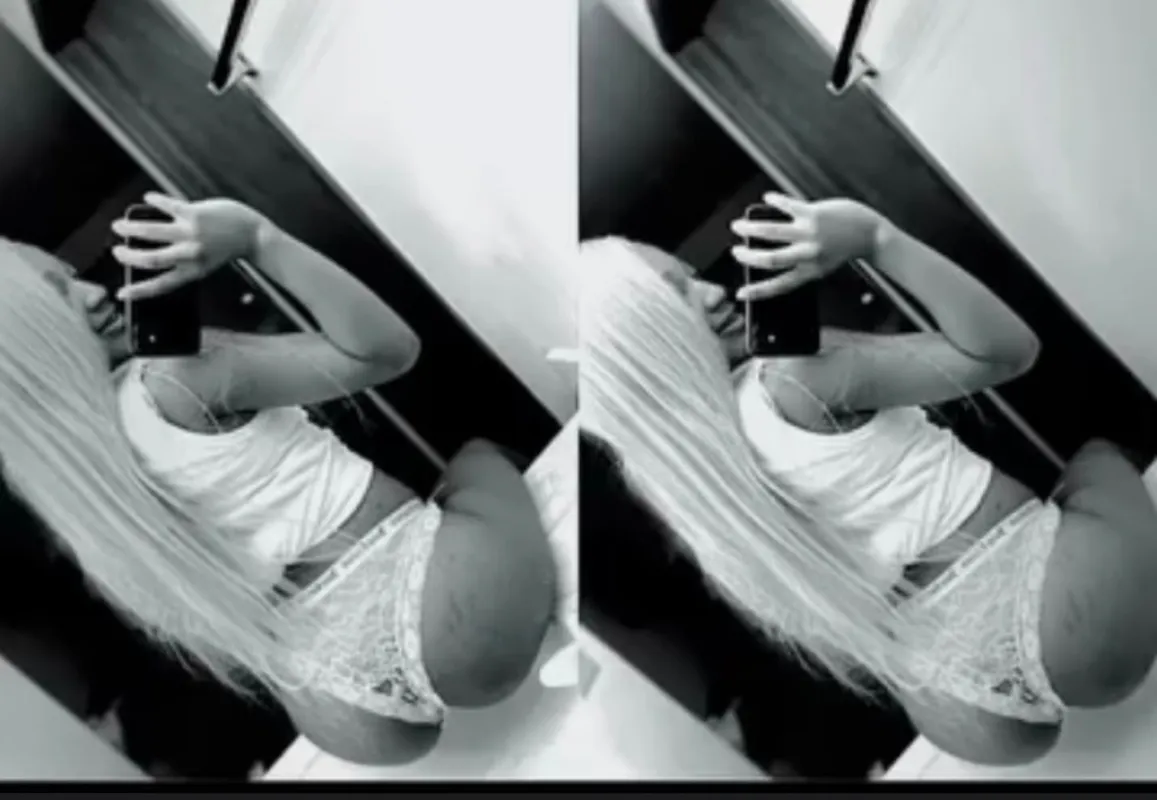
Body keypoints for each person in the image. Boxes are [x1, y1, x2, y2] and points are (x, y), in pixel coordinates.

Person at [580, 192, 1157, 766]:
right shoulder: (791, 376)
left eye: (690, 276)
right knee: (1101, 455)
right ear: (646, 347)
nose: (711, 291)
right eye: (676, 293)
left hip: (958, 705)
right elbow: (1008, 352)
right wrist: (877, 239)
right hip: (1064, 611)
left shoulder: (697, 500)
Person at [0, 193, 557, 766]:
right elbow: (387, 352)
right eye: (59, 294)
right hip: (444, 609)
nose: (94, 293)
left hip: (338, 706)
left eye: (73, 277)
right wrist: (258, 239)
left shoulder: (81, 503)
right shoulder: (171, 377)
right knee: (480, 457)